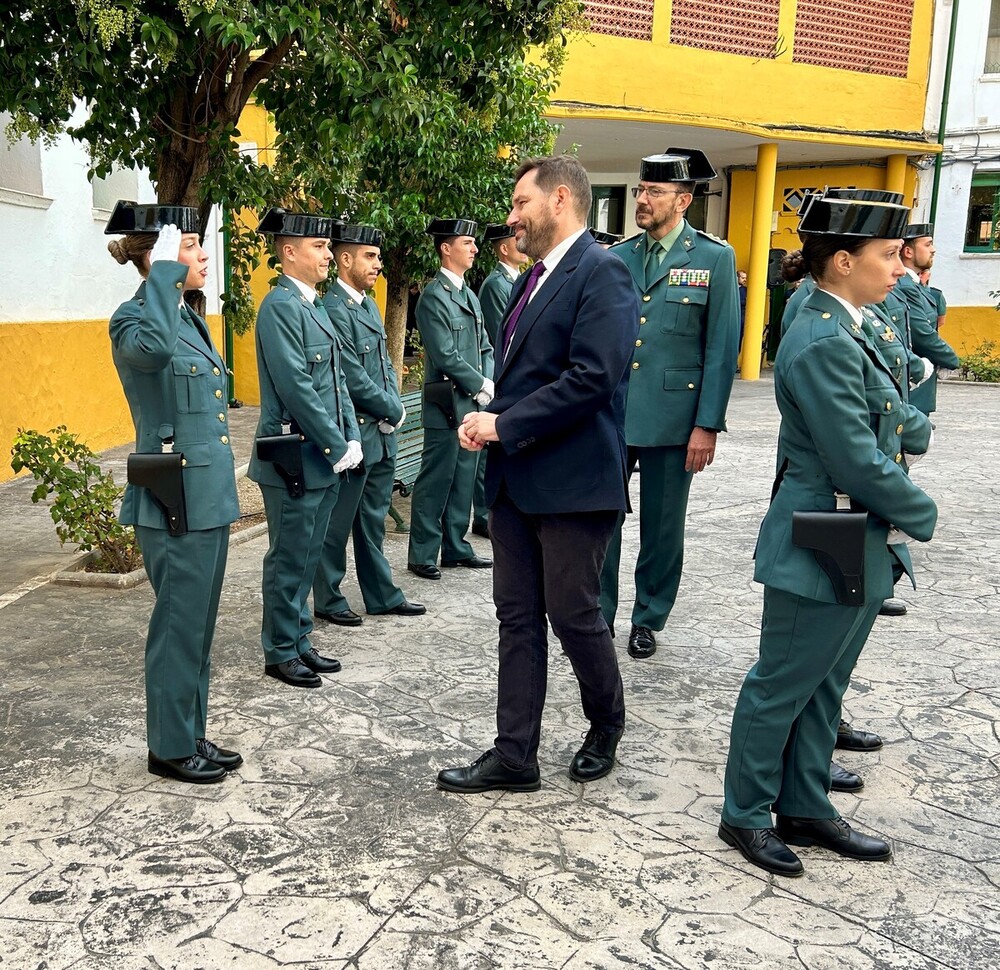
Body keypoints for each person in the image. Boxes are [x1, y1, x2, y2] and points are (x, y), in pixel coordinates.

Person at [719, 189, 938, 877]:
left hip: (854, 529)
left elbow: (901, 414)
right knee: (782, 682)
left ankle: (806, 803)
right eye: (887, 256)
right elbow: (855, 455)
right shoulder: (819, 335)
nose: (899, 268)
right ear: (843, 261)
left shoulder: (853, 322)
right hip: (822, 533)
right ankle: (746, 813)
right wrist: (921, 511)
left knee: (824, 683)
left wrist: (904, 435)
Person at [437, 154, 638, 793]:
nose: (511, 217)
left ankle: (605, 723)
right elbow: (527, 376)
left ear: (559, 199)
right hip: (518, 479)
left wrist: (506, 424)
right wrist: (488, 417)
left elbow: (592, 377)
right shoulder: (531, 279)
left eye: (520, 203)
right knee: (516, 616)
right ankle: (515, 755)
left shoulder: (602, 272)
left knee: (575, 612)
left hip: (575, 483)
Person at [106, 200, 242, 784]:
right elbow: (155, 354)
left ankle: (190, 731)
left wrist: (171, 277)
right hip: (172, 497)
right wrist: (164, 271)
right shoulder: (134, 320)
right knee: (177, 625)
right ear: (155, 257)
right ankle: (167, 746)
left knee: (199, 624)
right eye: (189, 246)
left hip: (205, 493)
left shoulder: (185, 316)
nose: (203, 253)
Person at [599, 149, 739, 659]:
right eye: (640, 189)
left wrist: (707, 425)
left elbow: (721, 350)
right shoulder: (618, 256)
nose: (642, 199)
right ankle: (597, 615)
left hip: (674, 420)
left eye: (653, 193)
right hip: (612, 417)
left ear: (683, 201)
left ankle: (647, 617)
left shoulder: (713, 258)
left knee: (662, 526)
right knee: (600, 517)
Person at [248, 208, 361, 688]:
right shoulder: (279, 307)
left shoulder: (313, 306)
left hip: (323, 456)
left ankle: (299, 639)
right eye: (318, 247)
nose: (327, 255)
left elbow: (336, 382)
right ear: (289, 252)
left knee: (309, 552)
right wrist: (337, 444)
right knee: (289, 556)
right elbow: (296, 387)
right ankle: (279, 651)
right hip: (295, 455)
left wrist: (351, 436)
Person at [312, 223, 425, 626]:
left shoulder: (366, 305)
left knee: (373, 520)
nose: (378, 264)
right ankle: (327, 597)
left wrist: (391, 410)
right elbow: (352, 376)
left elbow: (380, 367)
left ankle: (380, 594)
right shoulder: (332, 310)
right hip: (356, 434)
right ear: (345, 260)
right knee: (337, 523)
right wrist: (392, 409)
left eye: (378, 257)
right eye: (370, 256)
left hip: (380, 435)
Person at [406, 219, 494, 580]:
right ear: (446, 248)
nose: (474, 249)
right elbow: (444, 354)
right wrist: (478, 384)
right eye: (467, 243)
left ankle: (456, 546)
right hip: (446, 403)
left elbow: (485, 343)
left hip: (472, 402)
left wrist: (487, 379)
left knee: (463, 475)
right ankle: (423, 552)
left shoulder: (468, 295)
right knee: (437, 477)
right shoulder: (433, 297)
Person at [471, 222, 521, 538]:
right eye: (515, 239)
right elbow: (503, 335)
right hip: (497, 375)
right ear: (503, 248)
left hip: (505, 376)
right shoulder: (496, 285)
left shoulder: (518, 280)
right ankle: (482, 514)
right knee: (486, 447)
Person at [896, 223, 959, 416]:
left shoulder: (916, 286)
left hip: (919, 384)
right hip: (912, 383)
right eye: (928, 244)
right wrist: (951, 359)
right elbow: (922, 334)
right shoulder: (906, 286)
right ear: (908, 251)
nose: (933, 249)